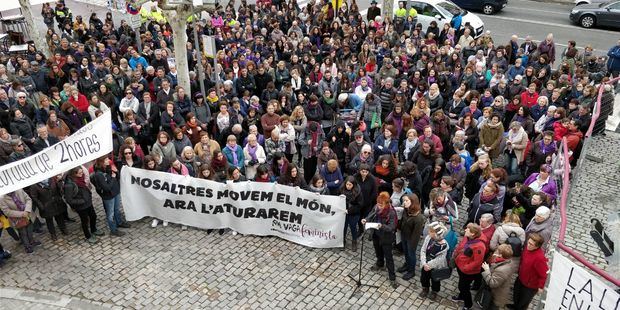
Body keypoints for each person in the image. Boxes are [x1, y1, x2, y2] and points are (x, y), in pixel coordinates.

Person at [362, 192, 398, 289]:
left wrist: (382, 226)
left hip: (386, 237)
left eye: (381, 204)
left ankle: (392, 277)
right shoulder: (377, 206)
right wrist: (366, 219)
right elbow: (371, 213)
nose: (378, 206)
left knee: (389, 257)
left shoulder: (391, 212)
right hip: (376, 234)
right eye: (378, 203)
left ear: (386, 203)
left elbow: (392, 227)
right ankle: (380, 263)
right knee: (378, 251)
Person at [91, 156, 131, 237]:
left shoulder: (107, 167)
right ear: (101, 161)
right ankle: (113, 229)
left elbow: (116, 177)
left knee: (117, 209)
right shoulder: (99, 174)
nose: (108, 160)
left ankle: (119, 222)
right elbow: (106, 188)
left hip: (115, 192)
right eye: (106, 159)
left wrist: (116, 172)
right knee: (110, 214)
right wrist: (113, 178)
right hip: (109, 196)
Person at [508, 232, 548, 310]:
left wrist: (540, 287)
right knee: (516, 295)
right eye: (528, 242)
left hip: (530, 286)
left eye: (531, 244)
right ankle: (515, 306)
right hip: (521, 278)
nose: (528, 245)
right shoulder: (527, 248)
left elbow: (544, 274)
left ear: (537, 247)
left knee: (523, 303)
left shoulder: (540, 258)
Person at [63, 167, 104, 244]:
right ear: (74, 174)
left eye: (82, 172)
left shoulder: (80, 179)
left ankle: (93, 229)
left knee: (93, 216)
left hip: (88, 202)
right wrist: (81, 201)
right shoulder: (69, 185)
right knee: (85, 221)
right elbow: (69, 200)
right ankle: (88, 236)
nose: (82, 174)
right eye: (80, 173)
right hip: (81, 206)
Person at [452, 223, 487, 310]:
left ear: (473, 234)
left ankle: (468, 304)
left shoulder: (479, 246)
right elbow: (461, 246)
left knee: (463, 287)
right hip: (460, 266)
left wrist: (465, 268)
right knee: (462, 285)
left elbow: (477, 262)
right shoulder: (467, 236)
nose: (465, 230)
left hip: (468, 271)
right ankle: (461, 296)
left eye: (467, 229)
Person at [0, 189, 40, 253]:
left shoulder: (19, 190)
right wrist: (21, 214)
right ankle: (27, 247)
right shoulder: (2, 198)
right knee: (23, 233)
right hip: (17, 219)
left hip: (28, 214)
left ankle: (32, 241)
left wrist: (27, 210)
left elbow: (28, 199)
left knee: (30, 229)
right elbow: (7, 212)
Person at [29, 176, 68, 241]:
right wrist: (41, 206)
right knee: (49, 221)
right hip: (46, 206)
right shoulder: (34, 185)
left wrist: (59, 182)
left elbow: (59, 189)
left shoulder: (52, 178)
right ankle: (53, 234)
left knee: (59, 217)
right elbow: (34, 197)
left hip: (56, 203)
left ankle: (63, 229)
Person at [481, 244, 518, 310]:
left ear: (501, 255)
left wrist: (486, 270)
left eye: (497, 251)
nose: (495, 251)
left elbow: (492, 283)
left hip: (495, 296)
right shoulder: (508, 261)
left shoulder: (502, 270)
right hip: (498, 291)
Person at [419, 221, 449, 301]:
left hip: (435, 266)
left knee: (435, 280)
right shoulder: (428, 238)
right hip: (425, 264)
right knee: (424, 278)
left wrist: (429, 265)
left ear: (436, 234)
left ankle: (434, 291)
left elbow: (440, 259)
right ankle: (425, 288)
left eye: (431, 231)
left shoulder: (443, 246)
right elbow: (423, 250)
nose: (428, 232)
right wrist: (424, 263)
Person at [398, 194, 425, 280]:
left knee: (411, 254)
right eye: (404, 201)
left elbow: (416, 235)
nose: (404, 203)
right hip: (404, 235)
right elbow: (402, 220)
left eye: (406, 201)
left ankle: (411, 271)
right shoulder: (406, 210)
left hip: (411, 239)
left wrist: (412, 246)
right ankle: (407, 264)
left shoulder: (418, 218)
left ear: (412, 202)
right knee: (406, 252)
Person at [340, 176, 363, 251]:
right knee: (344, 227)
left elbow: (359, 205)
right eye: (347, 184)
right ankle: (343, 241)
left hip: (354, 213)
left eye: (350, 185)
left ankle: (354, 241)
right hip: (344, 212)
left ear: (353, 185)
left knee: (353, 227)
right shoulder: (342, 189)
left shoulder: (358, 192)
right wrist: (340, 197)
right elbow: (337, 197)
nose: (348, 186)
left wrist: (349, 210)